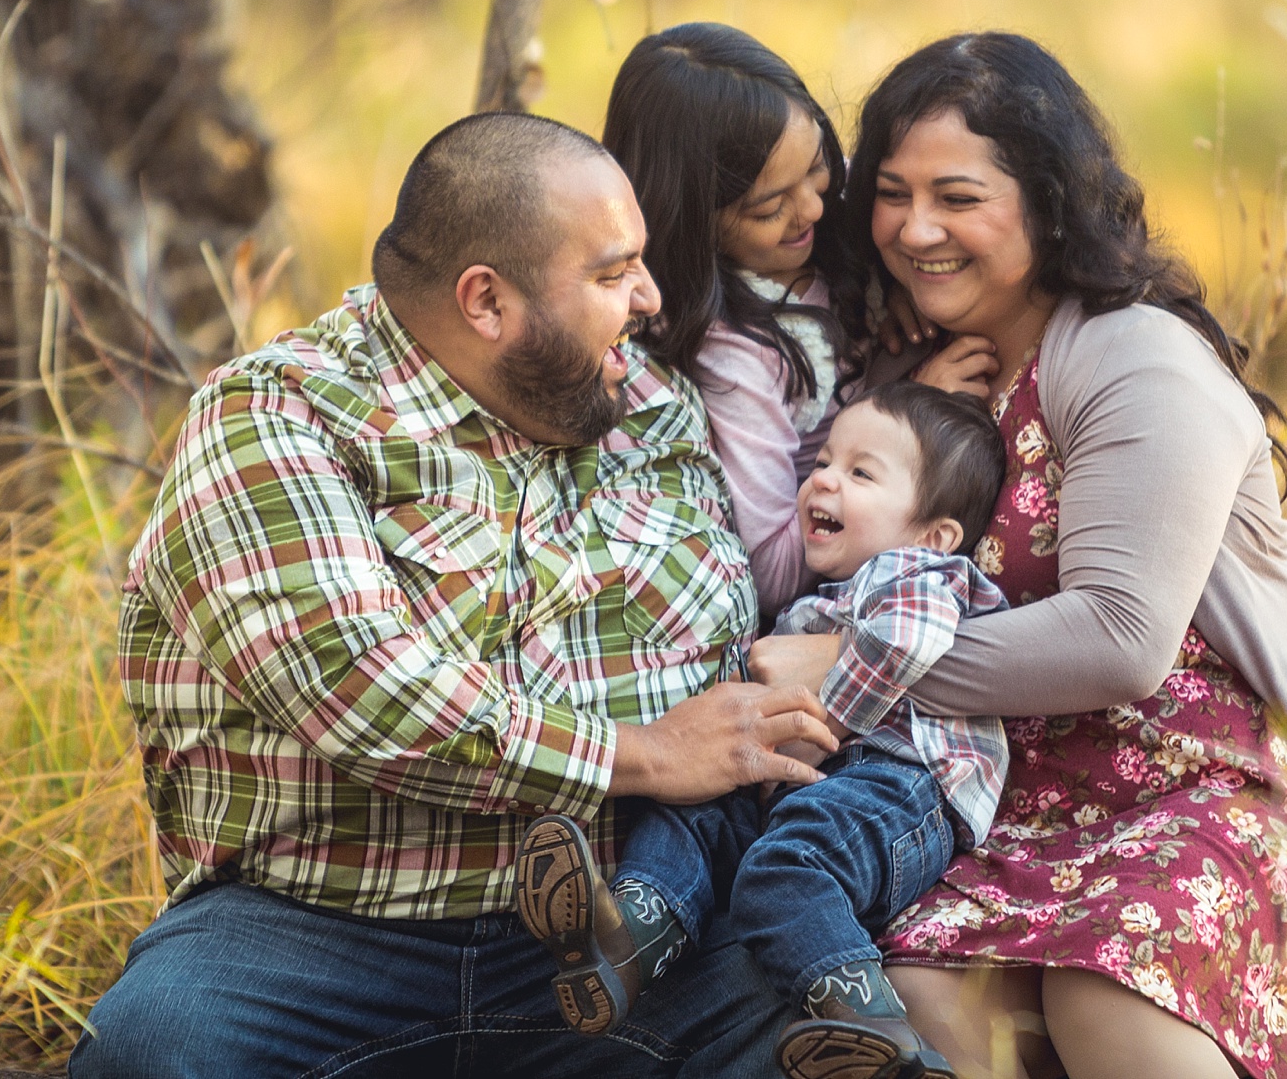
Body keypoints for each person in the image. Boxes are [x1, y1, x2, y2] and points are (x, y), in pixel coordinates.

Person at [71, 112, 843, 1079]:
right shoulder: (277, 420)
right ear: (486, 301)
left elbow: (722, 634)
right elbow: (361, 689)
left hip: (626, 924)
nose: (649, 299)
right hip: (315, 933)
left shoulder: (644, 404)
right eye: (612, 275)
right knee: (148, 1052)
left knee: (826, 1036)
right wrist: (644, 753)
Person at [749, 33, 1287, 1079]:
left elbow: (1122, 639)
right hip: (1011, 812)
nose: (914, 228)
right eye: (891, 194)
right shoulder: (927, 375)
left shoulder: (1134, 356)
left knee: (1105, 984)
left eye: (957, 195)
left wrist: (850, 667)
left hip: (1210, 789)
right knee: (922, 993)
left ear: (1047, 200)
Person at [515, 381, 1009, 1079]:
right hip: (817, 788)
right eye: (823, 463)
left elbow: (906, 642)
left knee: (787, 868)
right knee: (693, 809)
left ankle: (876, 1030)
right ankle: (628, 936)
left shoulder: (919, 571)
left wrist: (828, 713)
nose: (825, 481)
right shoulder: (827, 595)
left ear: (934, 532)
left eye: (860, 473)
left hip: (899, 787)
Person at [600, 23, 988, 614]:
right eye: (768, 206)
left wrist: (902, 274)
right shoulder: (738, 354)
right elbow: (773, 574)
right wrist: (908, 409)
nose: (812, 207)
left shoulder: (837, 217)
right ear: (691, 219)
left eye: (815, 166)